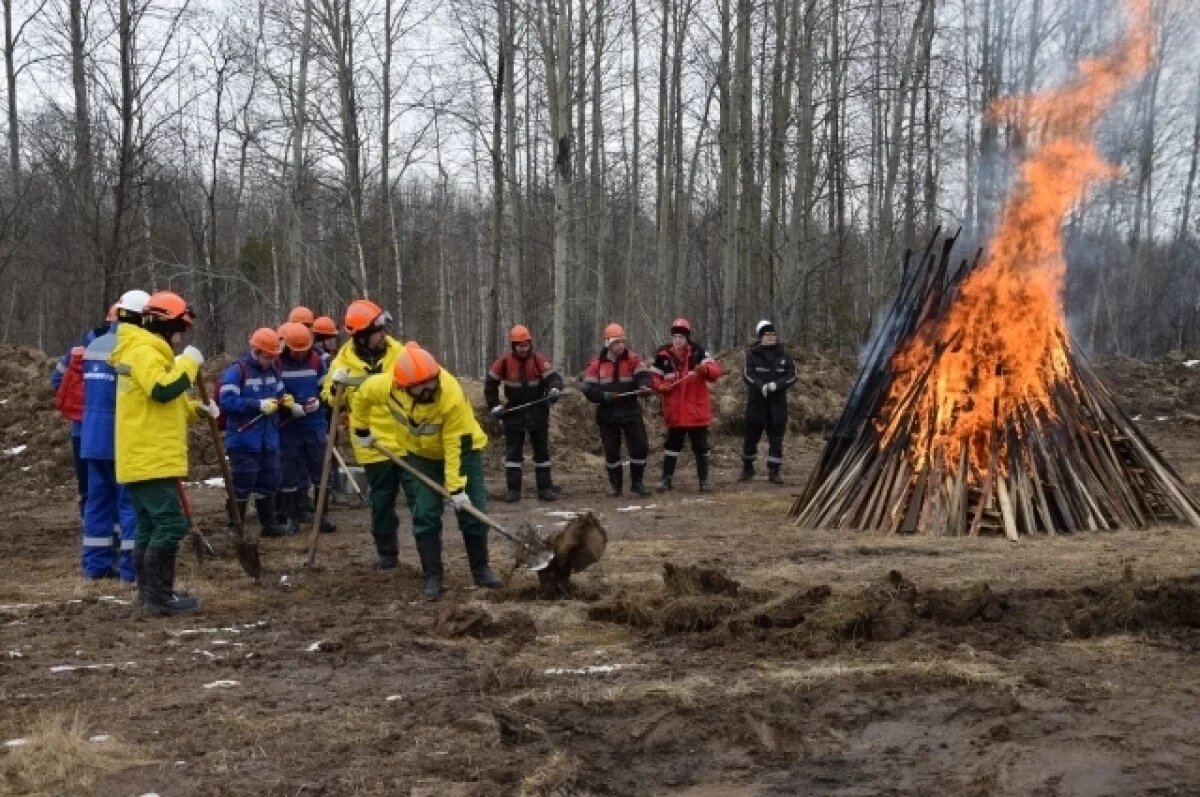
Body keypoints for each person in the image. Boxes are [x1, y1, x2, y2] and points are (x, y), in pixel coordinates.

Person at [349, 342, 501, 600]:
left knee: (472, 508)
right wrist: (362, 429)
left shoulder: (450, 394)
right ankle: (433, 576)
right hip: (419, 455)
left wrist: (456, 490)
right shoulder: (385, 386)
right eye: (424, 387)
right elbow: (362, 396)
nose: (431, 389)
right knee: (425, 512)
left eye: (433, 383)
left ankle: (481, 569)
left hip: (464, 451)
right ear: (404, 387)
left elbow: (455, 445)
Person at [110, 290, 216, 616]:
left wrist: (198, 410)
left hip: (145, 456)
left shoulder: (145, 350)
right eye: (179, 329)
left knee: (150, 526)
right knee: (170, 525)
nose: (181, 337)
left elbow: (166, 403)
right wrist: (188, 363)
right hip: (150, 457)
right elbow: (161, 390)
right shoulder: (144, 351)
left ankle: (151, 595)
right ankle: (159, 598)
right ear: (167, 325)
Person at [322, 299, 406, 568]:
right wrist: (335, 389)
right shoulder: (342, 363)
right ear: (362, 336)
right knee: (381, 501)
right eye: (379, 331)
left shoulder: (400, 353)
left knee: (421, 500)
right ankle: (387, 553)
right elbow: (329, 399)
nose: (384, 335)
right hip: (370, 442)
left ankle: (430, 554)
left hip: (406, 438)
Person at [79, 290, 149, 580]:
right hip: (121, 438)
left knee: (97, 503)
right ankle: (131, 570)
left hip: (92, 438)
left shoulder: (95, 345)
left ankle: (95, 567)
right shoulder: (133, 348)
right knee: (129, 505)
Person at [218, 327, 291, 537]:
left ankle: (269, 524)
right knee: (242, 483)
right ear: (256, 351)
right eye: (268, 356)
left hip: (268, 439)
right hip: (244, 440)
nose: (271, 360)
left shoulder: (274, 371)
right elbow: (227, 402)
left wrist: (285, 401)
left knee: (269, 482)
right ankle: (235, 526)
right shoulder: (236, 372)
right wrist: (257, 405)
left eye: (273, 356)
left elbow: (280, 393)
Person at [485, 324, 564, 503]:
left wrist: (554, 390)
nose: (523, 348)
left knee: (542, 452)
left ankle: (545, 489)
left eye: (526, 345)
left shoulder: (538, 360)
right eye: (519, 345)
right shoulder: (504, 362)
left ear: (530, 344)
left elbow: (554, 379)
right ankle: (513, 490)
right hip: (513, 413)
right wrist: (494, 406)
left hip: (538, 411)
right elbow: (490, 385)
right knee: (513, 454)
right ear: (513, 346)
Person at [649, 318, 721, 493]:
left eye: (681, 336)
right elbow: (653, 377)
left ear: (687, 337)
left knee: (701, 447)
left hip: (696, 410)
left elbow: (716, 372)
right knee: (672, 446)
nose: (677, 340)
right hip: (675, 410)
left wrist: (706, 370)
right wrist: (660, 386)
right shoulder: (662, 356)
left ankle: (703, 482)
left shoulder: (699, 353)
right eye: (675, 336)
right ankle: (666, 480)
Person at [276, 321, 335, 534]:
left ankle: (322, 515)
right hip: (288, 427)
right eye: (296, 351)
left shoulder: (317, 361)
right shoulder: (278, 364)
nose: (300, 355)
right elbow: (275, 390)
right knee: (289, 472)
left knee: (320, 469)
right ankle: (292, 517)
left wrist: (320, 400)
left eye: (304, 351)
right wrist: (290, 405)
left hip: (314, 424)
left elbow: (325, 387)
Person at [582, 323, 653, 497]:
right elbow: (588, 389)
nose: (619, 346)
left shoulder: (634, 359)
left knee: (640, 447)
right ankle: (615, 486)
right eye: (615, 342)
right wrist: (604, 396)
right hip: (607, 413)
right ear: (607, 343)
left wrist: (644, 386)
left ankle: (637, 483)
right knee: (612, 452)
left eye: (621, 342)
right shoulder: (596, 364)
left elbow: (644, 376)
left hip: (630, 410)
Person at [52, 314, 112, 518]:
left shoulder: (77, 352)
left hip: (80, 430)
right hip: (109, 430)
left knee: (88, 486)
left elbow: (55, 382)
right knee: (113, 486)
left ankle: (89, 524)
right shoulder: (118, 350)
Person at [741, 320, 796, 484]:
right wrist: (761, 386)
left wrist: (776, 385)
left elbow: (792, 375)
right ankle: (747, 468)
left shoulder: (784, 356)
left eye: (773, 334)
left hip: (777, 405)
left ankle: (774, 471)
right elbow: (748, 375)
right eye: (767, 334)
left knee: (776, 440)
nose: (771, 337)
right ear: (761, 337)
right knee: (751, 438)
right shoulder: (752, 355)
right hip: (757, 404)